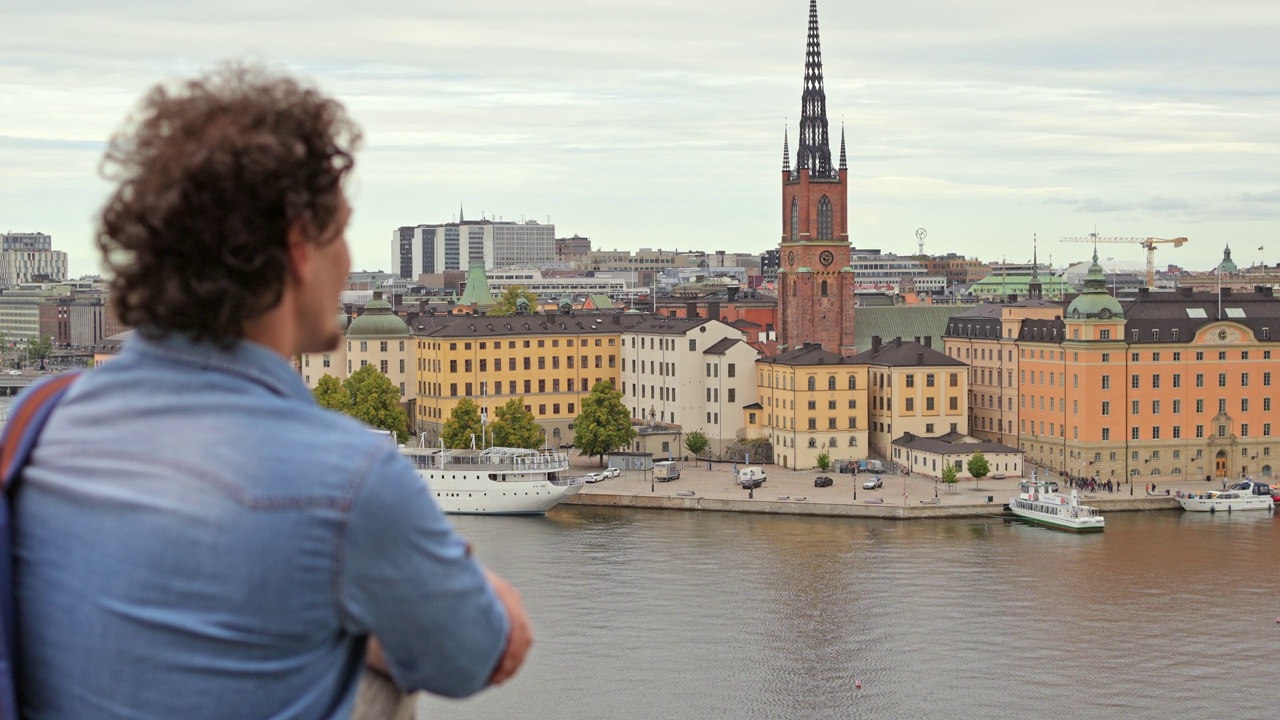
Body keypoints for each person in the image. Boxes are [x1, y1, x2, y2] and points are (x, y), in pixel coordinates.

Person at [14, 64, 530, 719]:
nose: (348, 263)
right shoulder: (349, 476)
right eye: (339, 230)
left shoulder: (38, 424)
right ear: (298, 249)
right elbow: (477, 654)